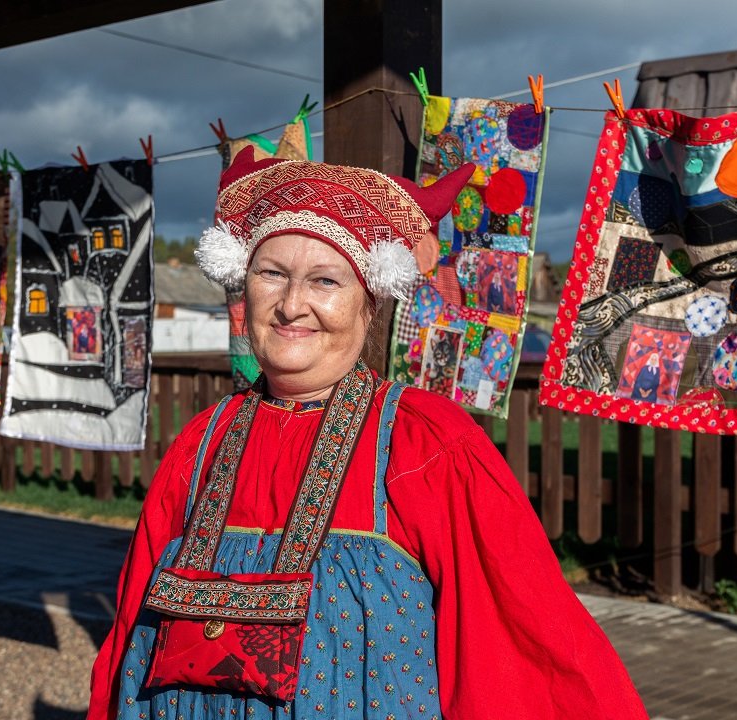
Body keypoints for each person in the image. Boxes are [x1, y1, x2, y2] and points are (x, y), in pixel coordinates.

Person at [88, 148, 648, 719]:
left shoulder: (425, 445)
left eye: (325, 280)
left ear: (369, 303)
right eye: (271, 273)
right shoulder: (202, 443)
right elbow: (130, 626)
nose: (291, 305)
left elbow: (514, 644)